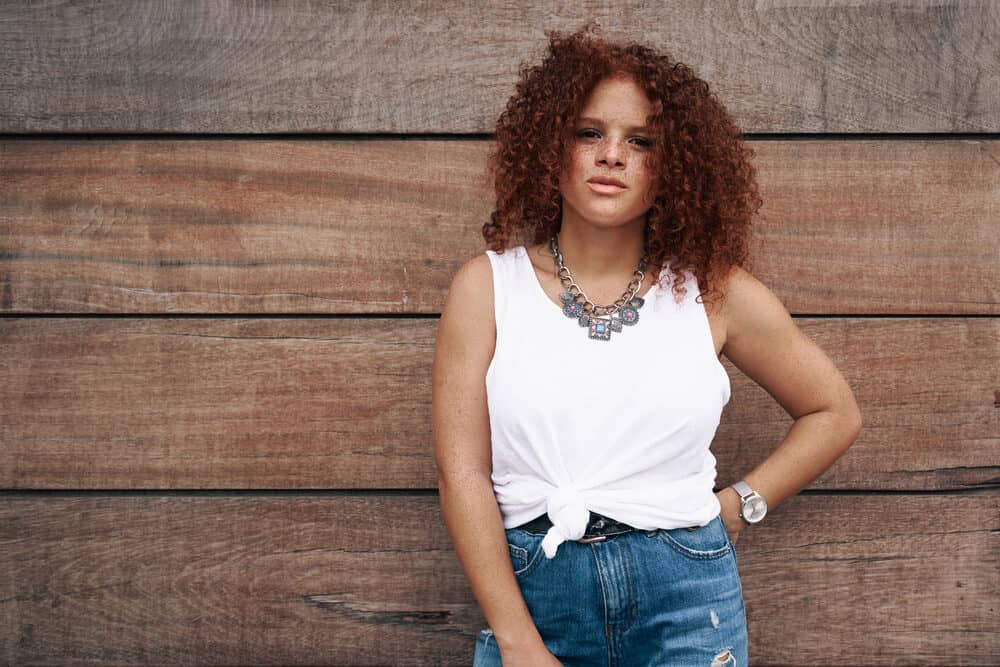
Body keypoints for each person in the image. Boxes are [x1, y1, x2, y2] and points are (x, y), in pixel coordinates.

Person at [432, 24, 862, 667]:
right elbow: (461, 472)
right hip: (535, 592)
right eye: (589, 133)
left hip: (689, 594)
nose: (612, 155)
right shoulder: (486, 288)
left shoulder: (716, 293)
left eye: (641, 141)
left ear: (675, 164)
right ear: (551, 147)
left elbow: (835, 413)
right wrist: (517, 640)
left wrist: (741, 506)